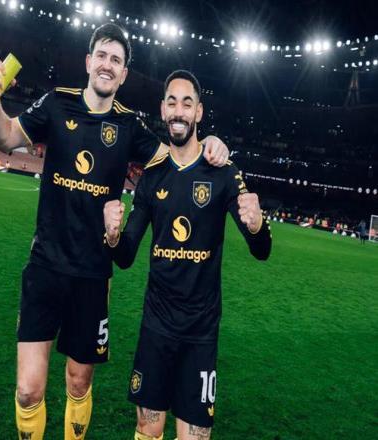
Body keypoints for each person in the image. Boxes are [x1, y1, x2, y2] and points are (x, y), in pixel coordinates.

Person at [0, 24, 230, 440]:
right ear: (88, 61)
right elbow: (4, 137)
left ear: (124, 73)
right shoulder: (57, 103)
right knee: (28, 390)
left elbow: (179, 158)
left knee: (78, 383)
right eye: (102, 56)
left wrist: (212, 145)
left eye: (116, 60)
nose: (107, 65)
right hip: (45, 267)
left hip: (93, 276)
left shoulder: (129, 125)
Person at [103, 70, 272, 440]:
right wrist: (112, 236)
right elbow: (126, 255)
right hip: (156, 326)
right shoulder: (151, 177)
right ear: (163, 110)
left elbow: (261, 250)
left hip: (200, 332)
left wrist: (258, 224)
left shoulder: (223, 172)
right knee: (148, 429)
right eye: (172, 102)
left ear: (199, 112)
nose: (179, 111)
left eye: (187, 103)